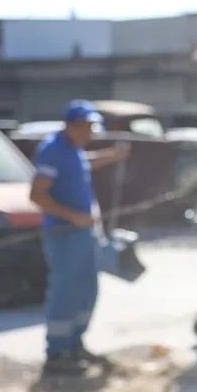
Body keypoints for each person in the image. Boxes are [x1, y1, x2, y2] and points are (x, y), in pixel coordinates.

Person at [29, 100, 131, 376]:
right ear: (71, 126)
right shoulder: (52, 151)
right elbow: (37, 194)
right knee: (66, 292)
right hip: (65, 234)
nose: (91, 133)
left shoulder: (73, 150)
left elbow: (82, 164)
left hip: (85, 233)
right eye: (86, 127)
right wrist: (72, 216)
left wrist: (111, 155)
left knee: (87, 290)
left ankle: (75, 344)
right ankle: (57, 352)